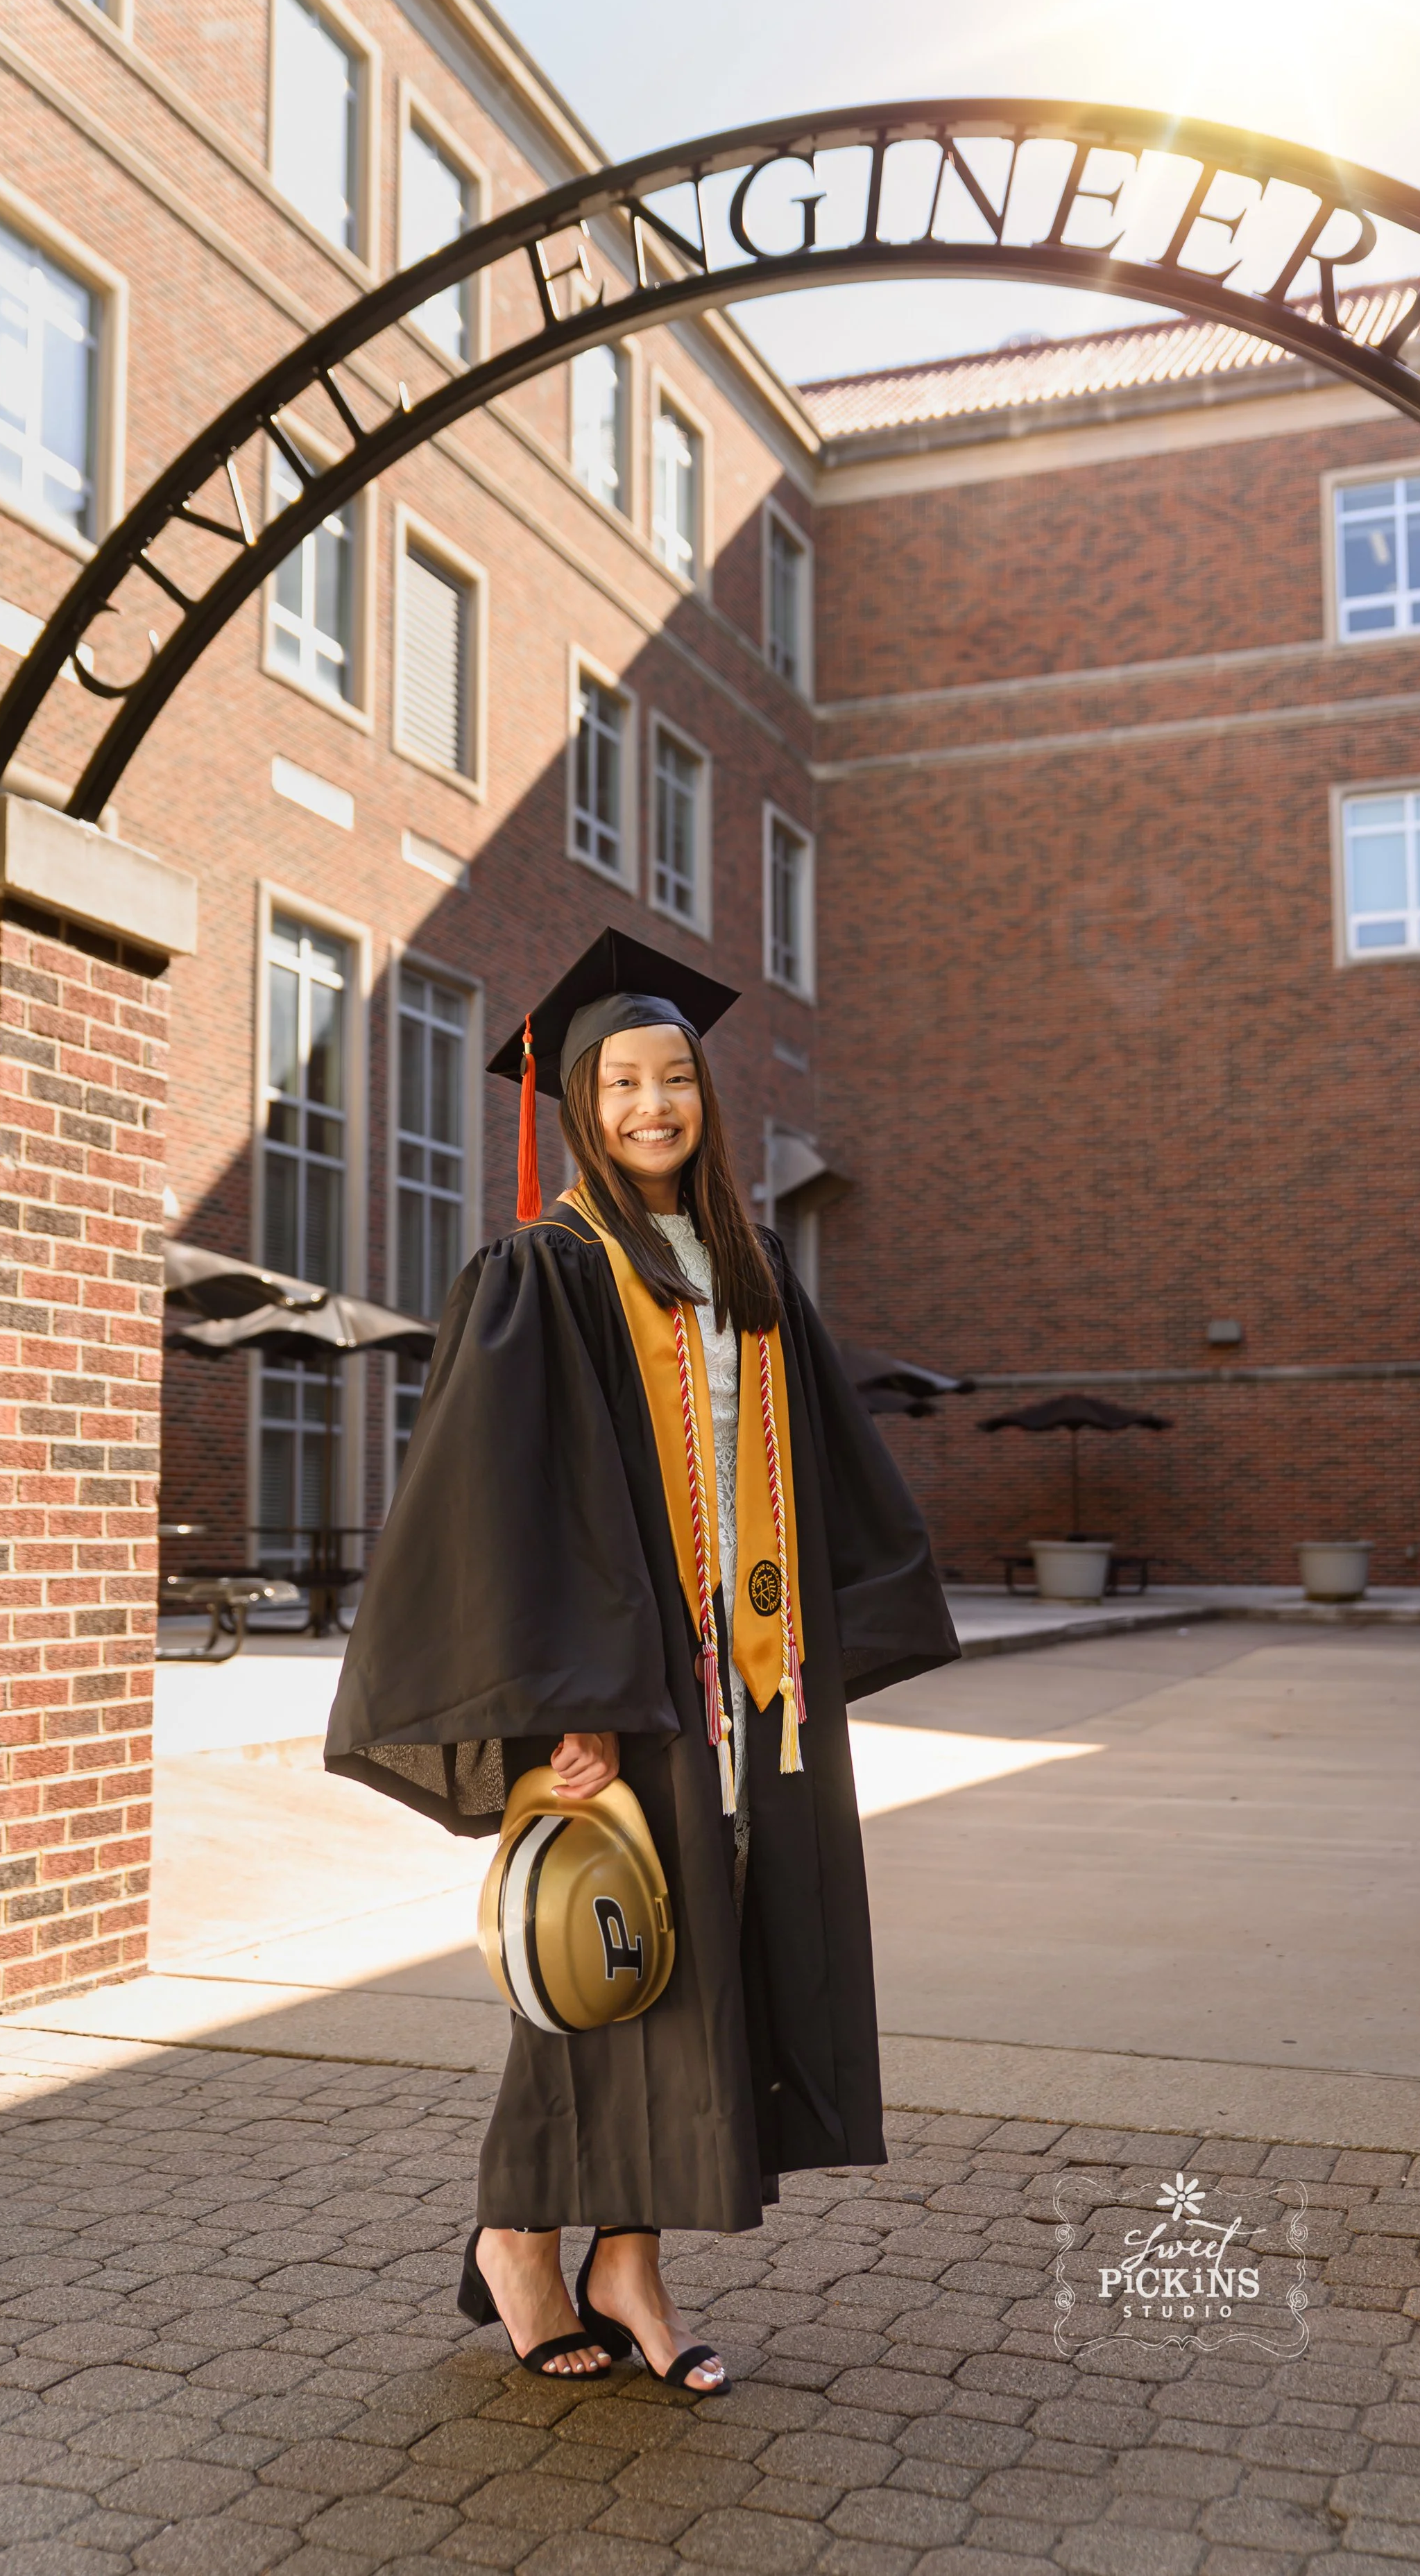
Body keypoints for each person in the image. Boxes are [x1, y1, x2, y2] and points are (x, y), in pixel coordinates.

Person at [326, 927, 958, 2392]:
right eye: (622, 1082)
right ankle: (522, 2244)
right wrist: (567, 1704)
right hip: (628, 1694)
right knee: (606, 1969)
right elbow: (510, 1499)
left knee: (701, 1979)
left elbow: (812, 1462)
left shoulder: (745, 1263)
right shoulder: (544, 1267)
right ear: (581, 1103)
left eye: (674, 1078)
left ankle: (620, 2259)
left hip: (752, 1689)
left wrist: (803, 1638)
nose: (652, 1105)